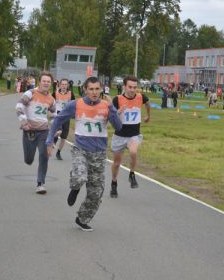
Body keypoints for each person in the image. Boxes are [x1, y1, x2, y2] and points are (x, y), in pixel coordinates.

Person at [46, 77, 122, 231]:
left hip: (99, 154)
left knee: (96, 193)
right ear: (85, 90)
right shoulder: (76, 104)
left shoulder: (106, 106)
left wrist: (112, 108)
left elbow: (119, 127)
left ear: (101, 90)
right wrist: (50, 140)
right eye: (91, 89)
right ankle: (75, 187)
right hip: (81, 149)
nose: (94, 92)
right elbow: (58, 120)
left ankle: (82, 218)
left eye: (97, 89)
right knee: (81, 176)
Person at [110, 76, 151, 198]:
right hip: (119, 135)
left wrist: (148, 116)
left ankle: (132, 174)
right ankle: (114, 182)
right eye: (130, 87)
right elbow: (111, 119)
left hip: (134, 134)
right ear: (124, 86)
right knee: (117, 163)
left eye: (134, 87)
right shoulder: (117, 100)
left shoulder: (141, 97)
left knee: (133, 152)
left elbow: (148, 104)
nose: (132, 90)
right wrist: (118, 112)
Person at [15, 71, 56, 194]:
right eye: (44, 81)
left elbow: (54, 115)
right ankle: (29, 159)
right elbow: (19, 107)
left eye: (48, 82)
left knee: (44, 155)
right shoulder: (30, 93)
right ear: (39, 82)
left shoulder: (51, 99)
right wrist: (24, 122)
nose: (46, 83)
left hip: (44, 131)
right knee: (29, 159)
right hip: (29, 131)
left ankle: (40, 183)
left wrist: (54, 132)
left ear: (51, 84)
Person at [52, 78, 75, 160]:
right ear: (60, 85)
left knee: (64, 137)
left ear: (68, 85)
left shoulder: (71, 94)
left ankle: (58, 152)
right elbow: (51, 104)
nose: (64, 86)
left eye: (66, 84)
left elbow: (73, 105)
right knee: (59, 131)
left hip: (67, 116)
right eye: (63, 84)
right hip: (58, 115)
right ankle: (53, 140)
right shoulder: (54, 93)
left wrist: (73, 114)